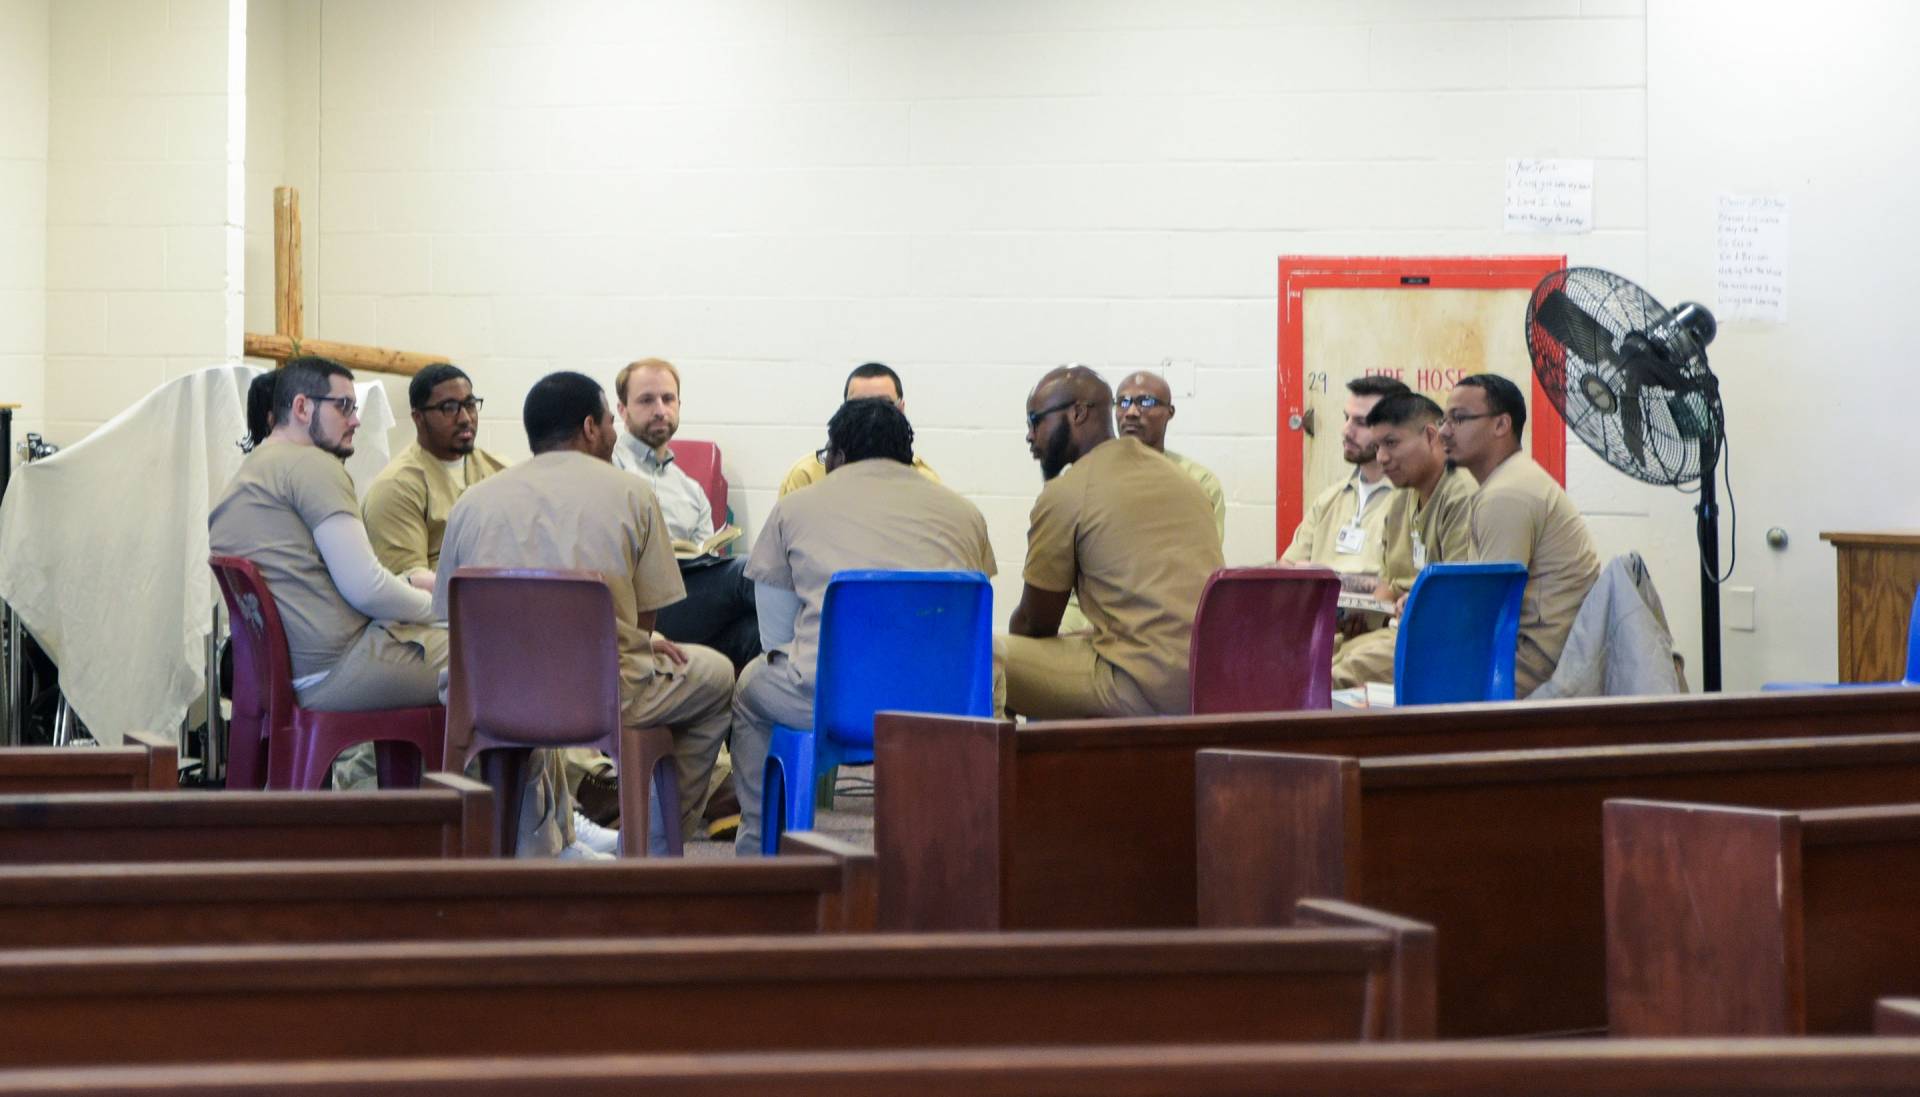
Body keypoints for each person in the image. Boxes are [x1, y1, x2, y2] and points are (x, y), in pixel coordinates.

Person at [435, 371, 734, 856]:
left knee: (527, 694)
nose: (614, 432)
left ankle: (538, 840)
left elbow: (451, 616)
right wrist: (637, 643)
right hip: (599, 695)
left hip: (490, 693)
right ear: (591, 427)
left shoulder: (472, 501)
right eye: (610, 421)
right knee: (717, 675)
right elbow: (645, 622)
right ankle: (653, 846)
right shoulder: (633, 494)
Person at [733, 397, 996, 854]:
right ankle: (954, 849)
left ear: (836, 455)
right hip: (944, 706)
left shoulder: (794, 509)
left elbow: (776, 637)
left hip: (830, 706)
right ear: (909, 455)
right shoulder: (965, 513)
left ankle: (758, 850)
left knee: (750, 689)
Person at [210, 356, 445, 717]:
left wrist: (407, 584)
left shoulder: (252, 470)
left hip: (284, 675)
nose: (356, 420)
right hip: (337, 668)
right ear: (302, 408)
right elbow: (366, 589)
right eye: (344, 406)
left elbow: (320, 581)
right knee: (492, 653)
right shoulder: (312, 464)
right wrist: (442, 609)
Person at [1003, 366, 1222, 718]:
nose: (1030, 436)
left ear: (1077, 413)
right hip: (1207, 683)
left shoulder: (1067, 492)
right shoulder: (1189, 482)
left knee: (985, 659)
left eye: (1035, 420)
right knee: (1076, 642)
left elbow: (1035, 623)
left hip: (1138, 688)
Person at [1441, 373, 1601, 697]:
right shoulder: (1508, 481)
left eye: (1458, 419)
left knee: (1425, 686)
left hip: (1536, 665)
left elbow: (1488, 612)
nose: (1444, 431)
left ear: (1501, 425)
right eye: (1443, 420)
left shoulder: (1506, 494)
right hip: (1538, 654)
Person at [611, 358, 759, 672]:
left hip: (688, 597)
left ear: (679, 405)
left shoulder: (691, 489)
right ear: (622, 410)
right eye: (646, 400)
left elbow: (707, 559)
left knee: (754, 632)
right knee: (751, 574)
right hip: (640, 606)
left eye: (668, 399)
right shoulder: (611, 467)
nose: (660, 410)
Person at [1331, 392, 1479, 688]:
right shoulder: (1400, 500)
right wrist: (1362, 615)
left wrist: (1412, 603)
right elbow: (1390, 585)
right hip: (1394, 628)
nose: (1381, 458)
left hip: (1438, 639)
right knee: (1314, 654)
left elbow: (1459, 600)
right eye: (1377, 447)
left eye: (1391, 443)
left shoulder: (1461, 495)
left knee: (1338, 675)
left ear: (1431, 436)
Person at [361, 363, 507, 586]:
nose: (465, 418)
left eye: (470, 404)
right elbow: (408, 583)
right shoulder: (395, 487)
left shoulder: (499, 470)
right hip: (437, 605)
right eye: (449, 407)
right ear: (418, 417)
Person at [1280, 375, 1409, 575]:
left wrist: (1329, 579)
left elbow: (1403, 585)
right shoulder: (1328, 500)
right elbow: (1286, 569)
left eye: (1361, 422)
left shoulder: (1414, 502)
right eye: (1346, 418)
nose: (1346, 431)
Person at [777, 363, 940, 496]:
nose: (871, 414)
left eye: (883, 404)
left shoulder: (922, 479)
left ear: (901, 409)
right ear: (844, 410)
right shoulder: (807, 475)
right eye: (859, 405)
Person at [1113, 370, 1226, 541]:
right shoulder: (1093, 477)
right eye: (1123, 402)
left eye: (1146, 401)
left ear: (1170, 412)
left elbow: (1206, 551)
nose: (1131, 412)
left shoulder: (1199, 482)